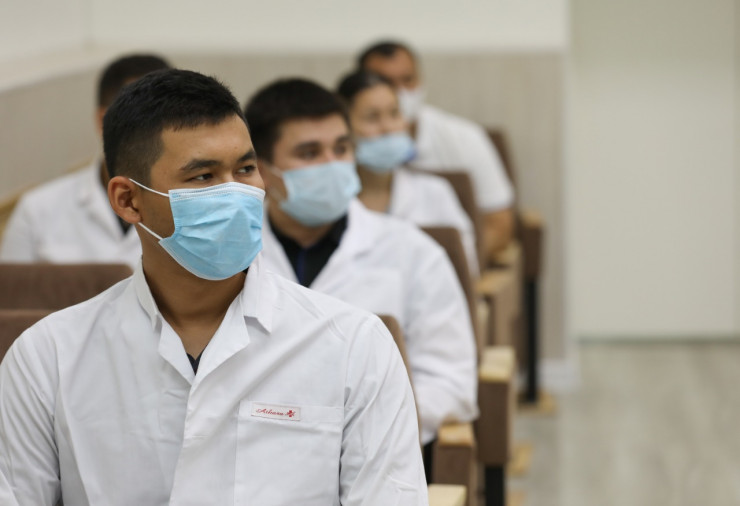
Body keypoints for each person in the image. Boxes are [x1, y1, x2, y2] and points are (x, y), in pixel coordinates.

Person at [0, 69, 427, 505]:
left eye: (245, 169)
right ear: (128, 200)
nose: (236, 195)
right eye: (203, 177)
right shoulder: (49, 357)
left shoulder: (353, 344)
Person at [244, 78, 477, 453]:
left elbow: (450, 381)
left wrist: (355, 427)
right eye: (309, 153)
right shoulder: (232, 257)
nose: (332, 164)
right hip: (254, 452)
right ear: (262, 171)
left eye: (341, 148)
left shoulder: (414, 252)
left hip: (375, 455)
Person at [0, 54, 170, 267]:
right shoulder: (37, 211)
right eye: (143, 118)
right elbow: (11, 288)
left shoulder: (194, 208)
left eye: (169, 119)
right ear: (104, 121)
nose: (158, 132)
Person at [358, 40, 515, 263]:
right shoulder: (338, 162)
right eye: (385, 81)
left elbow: (497, 226)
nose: (399, 92)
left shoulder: (464, 141)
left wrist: (459, 271)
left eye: (407, 80)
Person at [336, 69, 479, 276]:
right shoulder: (330, 201)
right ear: (343, 128)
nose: (388, 127)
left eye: (394, 113)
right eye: (372, 117)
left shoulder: (435, 192)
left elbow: (465, 271)